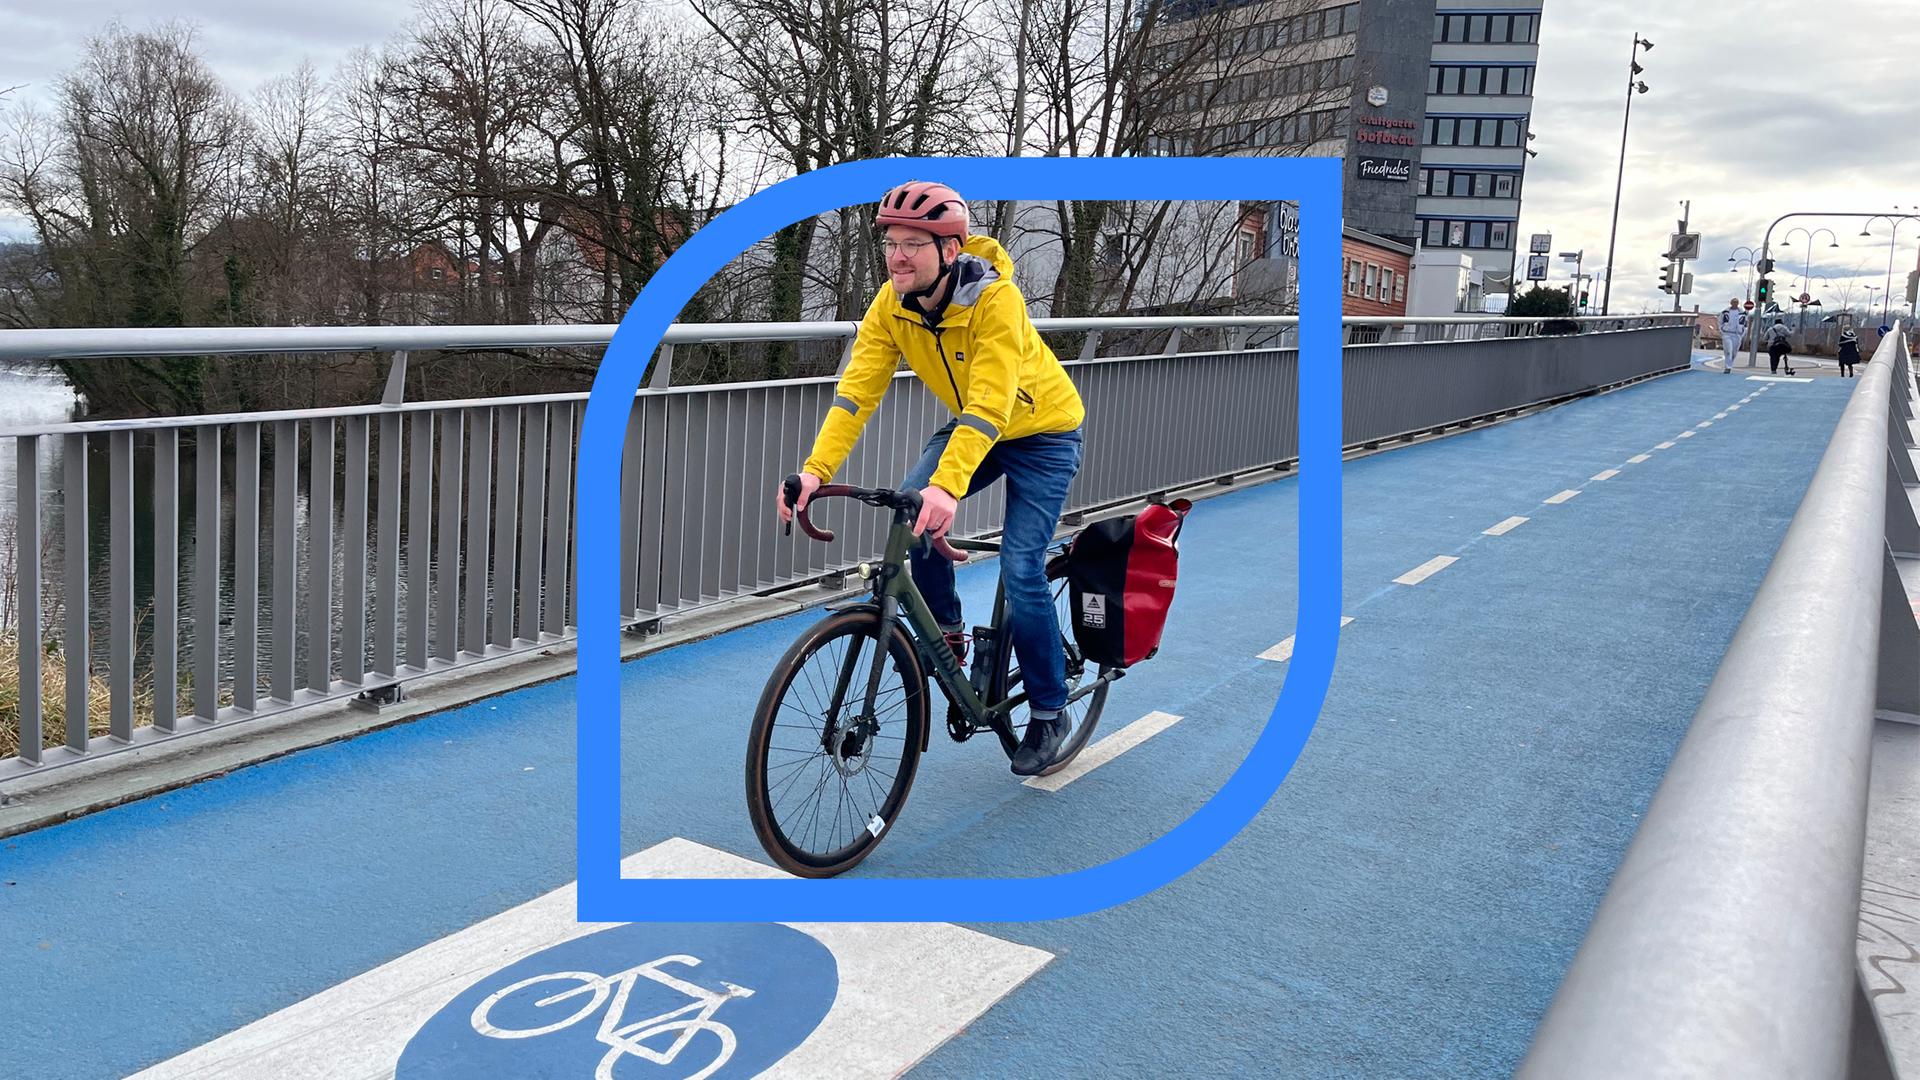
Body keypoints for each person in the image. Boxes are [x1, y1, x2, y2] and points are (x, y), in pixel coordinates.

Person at [774, 181, 1088, 776]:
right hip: (973, 423)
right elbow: (855, 395)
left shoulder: (996, 302)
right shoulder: (889, 305)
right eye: (891, 242)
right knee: (911, 517)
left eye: (914, 243)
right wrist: (814, 472)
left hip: (1042, 433)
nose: (897, 255)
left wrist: (945, 489)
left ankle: (1049, 711)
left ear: (950, 250)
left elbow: (992, 402)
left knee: (1021, 569)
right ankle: (946, 632)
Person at [1719, 299, 1747, 374]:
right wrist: (1722, 331)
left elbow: (1745, 324)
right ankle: (1728, 367)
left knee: (1734, 352)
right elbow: (1720, 322)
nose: (1735, 304)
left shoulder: (1742, 313)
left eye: (1736, 302)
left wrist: (1742, 334)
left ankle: (1730, 363)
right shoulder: (1725, 312)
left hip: (1737, 334)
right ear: (1731, 303)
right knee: (1728, 350)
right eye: (1733, 302)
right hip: (1727, 333)